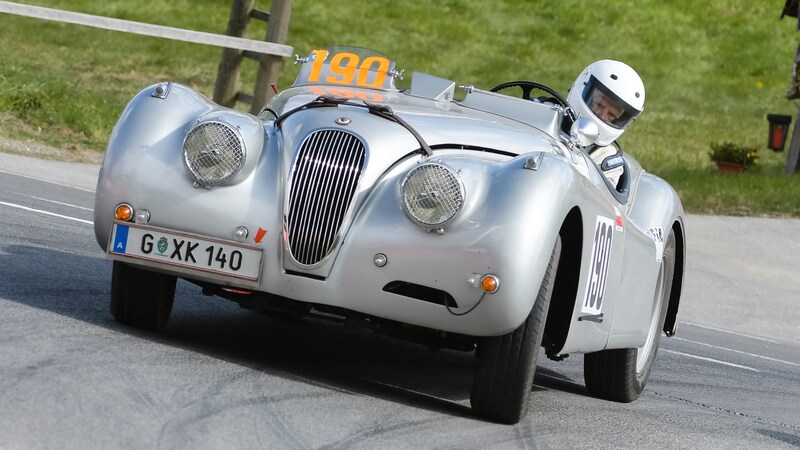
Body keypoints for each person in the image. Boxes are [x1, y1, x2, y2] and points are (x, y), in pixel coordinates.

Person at [566, 59, 645, 188]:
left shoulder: (608, 162)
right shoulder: (547, 111)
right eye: (598, 104)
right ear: (583, 87)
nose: (601, 116)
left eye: (612, 115)